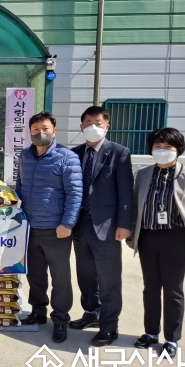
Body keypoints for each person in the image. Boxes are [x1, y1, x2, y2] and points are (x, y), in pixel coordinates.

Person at [127, 128, 185, 359]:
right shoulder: (143, 174)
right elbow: (136, 207)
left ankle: (172, 338)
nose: (162, 151)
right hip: (148, 238)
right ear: (151, 149)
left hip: (176, 239)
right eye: (158, 146)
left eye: (168, 147)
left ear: (178, 150)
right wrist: (133, 235)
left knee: (173, 290)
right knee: (150, 288)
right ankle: (150, 333)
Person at [15, 111, 83, 343]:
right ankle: (38, 312)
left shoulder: (67, 157)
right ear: (30, 132)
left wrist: (67, 223)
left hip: (56, 230)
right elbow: (20, 186)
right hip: (30, 228)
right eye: (35, 130)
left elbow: (75, 193)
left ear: (54, 130)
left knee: (60, 277)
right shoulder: (25, 155)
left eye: (45, 129)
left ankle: (61, 319)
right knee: (35, 274)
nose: (40, 133)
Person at [69, 106, 134, 346]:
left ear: (107, 126)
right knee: (85, 275)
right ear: (81, 126)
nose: (93, 127)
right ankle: (91, 313)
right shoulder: (74, 153)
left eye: (98, 122)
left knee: (108, 278)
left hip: (107, 225)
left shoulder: (119, 153)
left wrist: (124, 225)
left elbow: (126, 192)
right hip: (80, 224)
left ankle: (109, 326)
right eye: (88, 122)